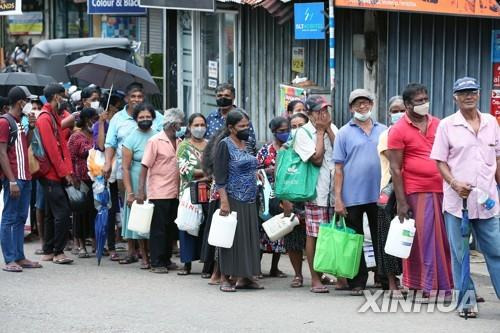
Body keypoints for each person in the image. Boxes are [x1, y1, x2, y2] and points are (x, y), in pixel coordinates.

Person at [431, 77, 500, 317]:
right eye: (463, 93)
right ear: (455, 97)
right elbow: (439, 161)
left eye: (472, 92)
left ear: (479, 94)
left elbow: (497, 159)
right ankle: (466, 303)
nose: (468, 96)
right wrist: (453, 183)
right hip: (457, 204)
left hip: (488, 202)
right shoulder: (447, 125)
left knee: (496, 251)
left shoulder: (491, 122)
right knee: (460, 256)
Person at [388, 83, 453, 302]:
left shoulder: (440, 124)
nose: (424, 103)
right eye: (419, 101)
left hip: (445, 190)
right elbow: (395, 168)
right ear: (407, 105)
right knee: (424, 241)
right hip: (417, 192)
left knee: (445, 241)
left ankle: (446, 286)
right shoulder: (398, 130)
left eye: (426, 99)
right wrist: (401, 201)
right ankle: (425, 286)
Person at [333, 89, 387, 295]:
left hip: (379, 195)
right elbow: (338, 168)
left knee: (380, 237)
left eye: (365, 103)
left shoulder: (384, 130)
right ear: (351, 108)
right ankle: (357, 281)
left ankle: (384, 277)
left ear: (371, 104)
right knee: (355, 240)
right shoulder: (344, 133)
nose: (362, 107)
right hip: (352, 196)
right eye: (357, 104)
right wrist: (338, 199)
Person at [103, 83, 163, 260]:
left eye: (140, 96)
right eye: (133, 96)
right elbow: (109, 143)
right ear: (126, 98)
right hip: (126, 170)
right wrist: (107, 162)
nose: (136, 99)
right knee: (130, 206)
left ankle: (150, 250)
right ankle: (132, 249)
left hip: (154, 172)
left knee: (150, 209)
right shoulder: (117, 119)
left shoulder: (156, 116)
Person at [293, 95, 338, 293]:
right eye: (319, 111)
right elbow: (317, 159)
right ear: (310, 114)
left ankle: (332, 273)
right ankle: (314, 278)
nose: (324, 114)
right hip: (315, 191)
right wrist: (320, 132)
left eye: (326, 110)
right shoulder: (303, 133)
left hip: (334, 191)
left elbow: (343, 153)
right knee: (314, 235)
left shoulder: (333, 128)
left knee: (332, 234)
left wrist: (328, 129)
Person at [214, 110, 262, 292]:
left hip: (250, 198)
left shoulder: (248, 142)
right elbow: (219, 176)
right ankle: (226, 277)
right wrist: (224, 201)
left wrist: (256, 172)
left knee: (247, 238)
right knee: (230, 238)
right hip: (233, 197)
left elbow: (250, 163)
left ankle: (245, 277)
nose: (246, 128)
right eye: (241, 126)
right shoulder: (224, 145)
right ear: (231, 128)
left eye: (247, 125)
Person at [137, 108, 185, 274]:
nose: (182, 125)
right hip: (158, 191)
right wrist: (140, 191)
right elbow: (145, 166)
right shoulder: (155, 141)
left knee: (171, 228)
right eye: (180, 122)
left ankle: (166, 259)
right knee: (158, 229)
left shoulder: (179, 142)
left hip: (175, 191)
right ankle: (156, 262)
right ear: (173, 123)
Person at [0, 86, 41, 272]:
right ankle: (10, 259)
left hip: (25, 176)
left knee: (20, 218)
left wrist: (31, 126)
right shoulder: (4, 122)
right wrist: (12, 180)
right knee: (9, 218)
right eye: (28, 101)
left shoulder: (21, 121)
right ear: (20, 102)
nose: (31, 105)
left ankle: (19, 256)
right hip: (15, 177)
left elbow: (26, 143)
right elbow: (1, 153)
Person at [36, 83, 75, 265]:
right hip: (50, 174)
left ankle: (49, 250)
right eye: (62, 96)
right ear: (56, 97)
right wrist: (64, 172)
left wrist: (67, 169)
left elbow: (61, 146)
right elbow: (53, 149)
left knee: (52, 213)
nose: (64, 100)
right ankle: (58, 251)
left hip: (55, 173)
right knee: (62, 212)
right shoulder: (45, 118)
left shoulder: (51, 116)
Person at [120, 103, 159, 268]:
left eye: (148, 117)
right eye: (141, 117)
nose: (145, 120)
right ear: (136, 119)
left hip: (156, 181)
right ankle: (144, 256)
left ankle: (155, 254)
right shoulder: (130, 138)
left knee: (154, 219)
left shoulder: (157, 135)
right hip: (136, 181)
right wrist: (130, 192)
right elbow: (125, 168)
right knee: (140, 219)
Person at [376, 96, 406, 296]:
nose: (398, 114)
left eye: (402, 109)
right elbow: (398, 160)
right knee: (387, 235)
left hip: (410, 187)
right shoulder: (387, 134)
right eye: (394, 110)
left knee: (407, 236)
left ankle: (411, 279)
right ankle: (391, 281)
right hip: (389, 188)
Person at [175, 113, 208, 275]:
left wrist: (208, 176)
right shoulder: (183, 146)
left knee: (205, 226)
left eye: (202, 125)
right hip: (189, 191)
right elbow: (184, 169)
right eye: (196, 125)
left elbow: (217, 165)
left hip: (208, 191)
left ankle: (207, 265)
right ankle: (187, 264)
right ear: (189, 127)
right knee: (187, 225)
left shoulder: (210, 145)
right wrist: (206, 174)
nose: (199, 128)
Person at [257, 116, 289, 278]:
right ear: (274, 132)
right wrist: (268, 171)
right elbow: (256, 169)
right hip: (267, 195)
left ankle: (274, 268)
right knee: (264, 229)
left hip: (284, 193)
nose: (285, 134)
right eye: (281, 131)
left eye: (286, 130)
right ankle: (257, 267)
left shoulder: (291, 148)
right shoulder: (265, 150)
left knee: (280, 230)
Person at [281, 112, 309, 288]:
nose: (297, 130)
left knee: (314, 237)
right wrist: (284, 200)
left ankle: (318, 274)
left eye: (301, 126)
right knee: (293, 238)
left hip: (311, 195)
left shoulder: (314, 146)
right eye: (294, 127)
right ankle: (298, 275)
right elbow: (280, 175)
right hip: (291, 196)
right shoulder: (285, 149)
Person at [68, 108, 99, 258]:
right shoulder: (75, 137)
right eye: (92, 119)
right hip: (81, 179)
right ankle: (80, 245)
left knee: (95, 211)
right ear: (86, 119)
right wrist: (72, 177)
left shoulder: (97, 135)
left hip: (96, 178)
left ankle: (95, 243)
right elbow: (70, 158)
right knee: (80, 212)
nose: (94, 122)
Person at [205, 83, 257, 154]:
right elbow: (206, 141)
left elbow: (251, 141)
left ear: (233, 97)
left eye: (227, 95)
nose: (223, 98)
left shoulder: (242, 117)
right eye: (219, 96)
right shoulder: (211, 118)